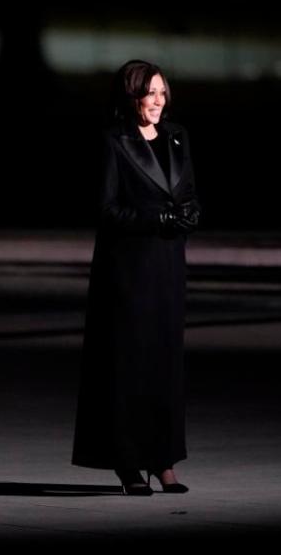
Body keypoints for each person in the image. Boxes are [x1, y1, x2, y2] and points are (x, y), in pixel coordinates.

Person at [72, 60, 200, 496]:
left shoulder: (178, 136)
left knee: (165, 363)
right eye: (152, 94)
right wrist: (154, 216)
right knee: (128, 364)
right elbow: (106, 211)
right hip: (127, 270)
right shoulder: (113, 142)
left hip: (167, 266)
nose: (159, 102)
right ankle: (127, 462)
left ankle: (163, 459)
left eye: (164, 93)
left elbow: (186, 192)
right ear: (133, 96)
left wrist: (188, 214)